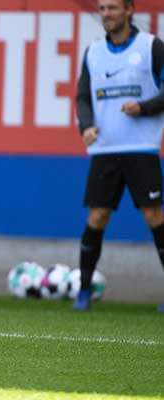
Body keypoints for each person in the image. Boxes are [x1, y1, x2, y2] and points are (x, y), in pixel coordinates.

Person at [74, 0, 164, 311]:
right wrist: (85, 126)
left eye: (112, 8)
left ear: (129, 10)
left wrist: (144, 108)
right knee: (97, 217)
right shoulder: (93, 52)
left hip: (141, 148)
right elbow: (83, 97)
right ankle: (83, 292)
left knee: (154, 216)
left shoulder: (151, 46)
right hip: (106, 149)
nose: (107, 14)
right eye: (102, 9)